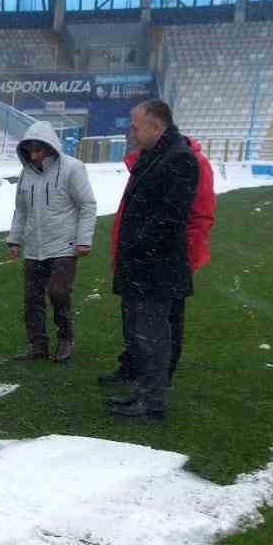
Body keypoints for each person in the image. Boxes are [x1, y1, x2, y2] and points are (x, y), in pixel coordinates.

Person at [104, 99, 197, 420]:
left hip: (157, 267)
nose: (131, 132)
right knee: (141, 336)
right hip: (141, 265)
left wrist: (139, 247)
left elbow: (170, 219)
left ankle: (152, 402)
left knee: (154, 337)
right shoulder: (155, 154)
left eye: (135, 126)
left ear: (156, 127)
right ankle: (142, 394)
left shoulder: (179, 160)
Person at [104, 131, 215, 386]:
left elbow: (200, 214)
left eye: (136, 131)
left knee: (165, 319)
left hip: (167, 258)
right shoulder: (148, 160)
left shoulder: (189, 162)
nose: (133, 137)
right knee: (133, 315)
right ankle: (133, 365)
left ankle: (159, 375)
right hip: (138, 254)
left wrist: (185, 254)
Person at [5, 122, 96, 362]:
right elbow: (21, 210)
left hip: (64, 245)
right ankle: (38, 345)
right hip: (34, 247)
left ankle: (65, 339)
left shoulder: (73, 168)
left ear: (50, 147)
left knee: (58, 292)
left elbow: (87, 204)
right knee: (32, 298)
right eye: (29, 151)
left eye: (38, 150)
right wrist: (14, 239)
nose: (33, 156)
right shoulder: (26, 173)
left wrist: (84, 239)